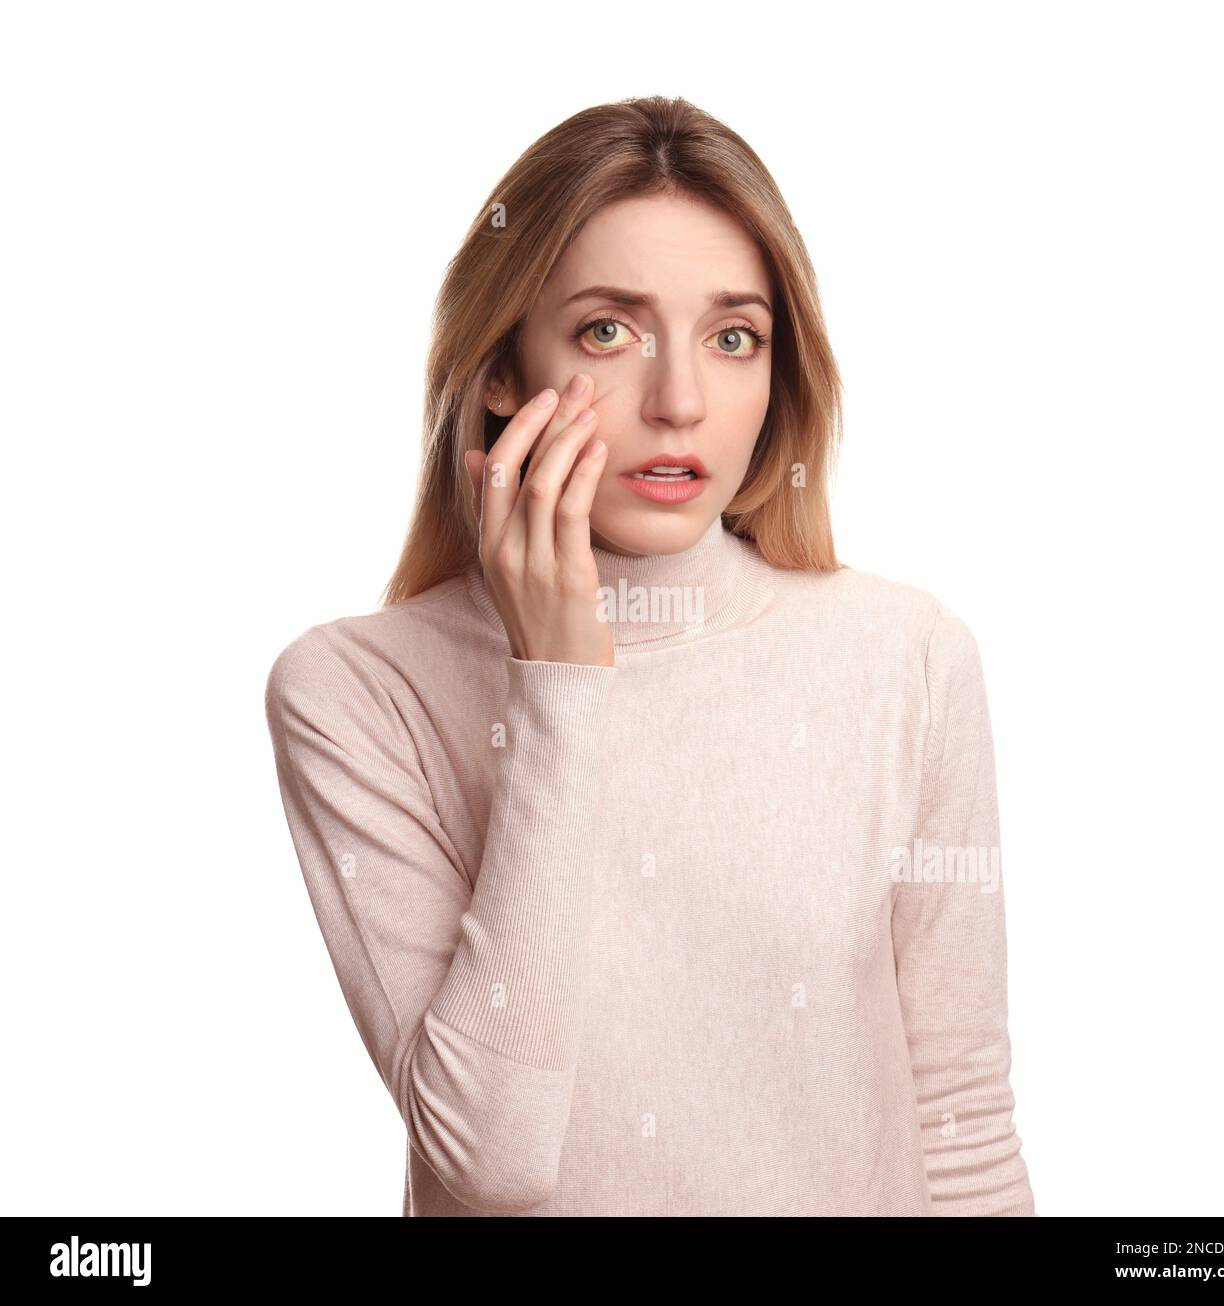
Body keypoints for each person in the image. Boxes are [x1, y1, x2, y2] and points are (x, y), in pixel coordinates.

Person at [265, 95, 1035, 1217]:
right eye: (608, 331)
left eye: (733, 338)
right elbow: (491, 1159)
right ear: (499, 370)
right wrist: (561, 682)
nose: (680, 402)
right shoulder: (354, 692)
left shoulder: (906, 658)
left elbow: (961, 1128)